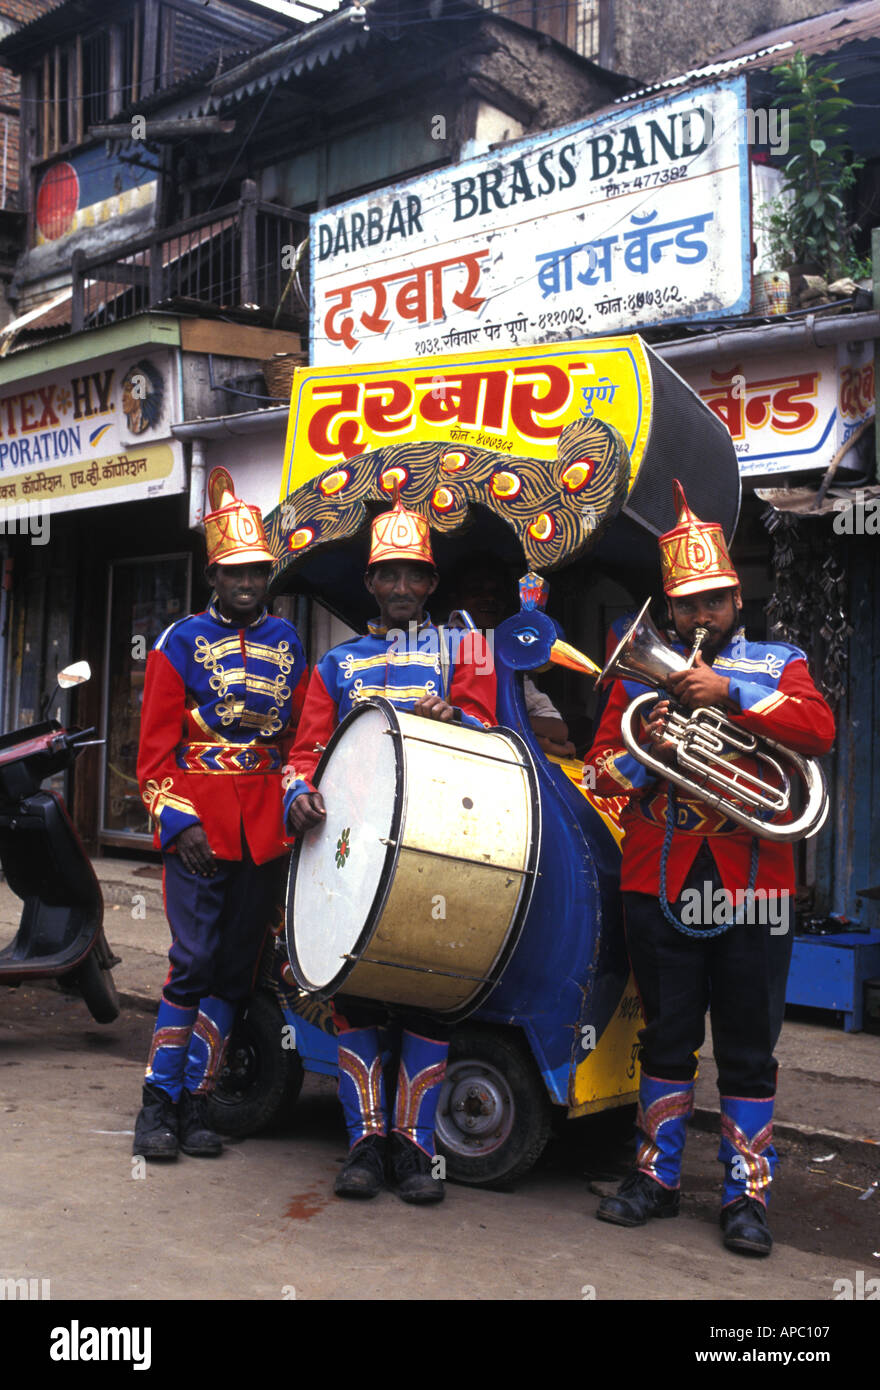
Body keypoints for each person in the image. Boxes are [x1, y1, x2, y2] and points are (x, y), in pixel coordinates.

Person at [585, 480, 834, 1255]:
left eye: (714, 603)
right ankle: (654, 1179)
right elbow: (600, 780)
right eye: (686, 606)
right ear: (667, 611)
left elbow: (818, 731)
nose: (700, 618)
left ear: (737, 601)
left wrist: (730, 695)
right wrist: (645, 749)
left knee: (750, 1044)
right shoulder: (636, 681)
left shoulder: (778, 664)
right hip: (660, 875)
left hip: (755, 880)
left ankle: (745, 1197)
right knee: (663, 1036)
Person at [284, 493, 497, 1204]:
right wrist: (297, 797)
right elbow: (305, 752)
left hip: (444, 848)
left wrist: (459, 714)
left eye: (415, 575)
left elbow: (498, 738)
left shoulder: (465, 649)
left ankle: (415, 1149)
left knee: (429, 994)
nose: (402, 587)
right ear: (371, 583)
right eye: (389, 575)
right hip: (354, 851)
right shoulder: (337, 664)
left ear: (431, 584)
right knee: (360, 995)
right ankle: (364, 1146)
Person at [133, 467, 308, 1161]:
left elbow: (298, 741)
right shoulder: (176, 644)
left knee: (237, 971)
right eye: (234, 573)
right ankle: (158, 1105)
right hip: (199, 830)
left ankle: (200, 1104)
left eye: (257, 572)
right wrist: (182, 826)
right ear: (214, 575)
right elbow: (150, 761)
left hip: (263, 834)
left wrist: (295, 802)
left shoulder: (291, 644)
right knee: (192, 964)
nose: (246, 583)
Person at [447, 555, 575, 757]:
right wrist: (527, 736)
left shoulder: (504, 656)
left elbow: (558, 729)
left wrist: (525, 733)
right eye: (476, 591)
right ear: (455, 598)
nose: (489, 599)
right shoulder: (439, 646)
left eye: (496, 593)